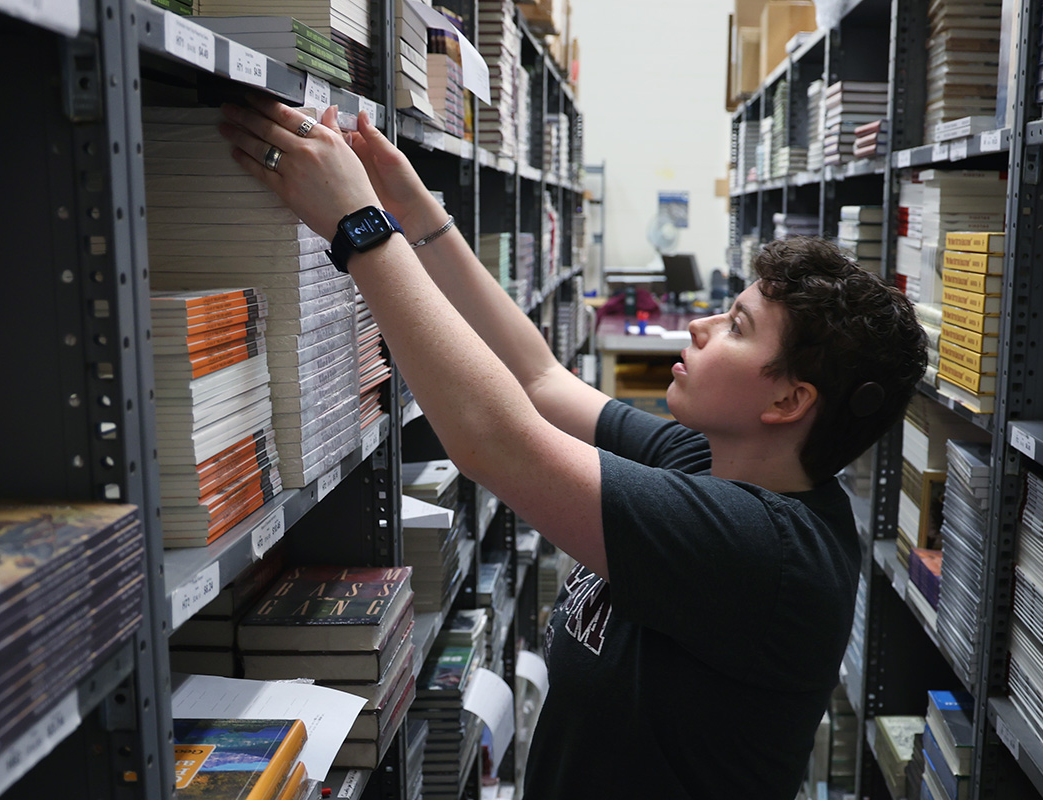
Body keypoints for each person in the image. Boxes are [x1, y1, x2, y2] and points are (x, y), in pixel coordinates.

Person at [217, 96, 928, 798]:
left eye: (737, 326)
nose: (701, 328)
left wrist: (361, 230)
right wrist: (415, 210)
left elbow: (497, 442)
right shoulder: (716, 463)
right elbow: (538, 378)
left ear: (788, 401)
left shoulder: (764, 552)